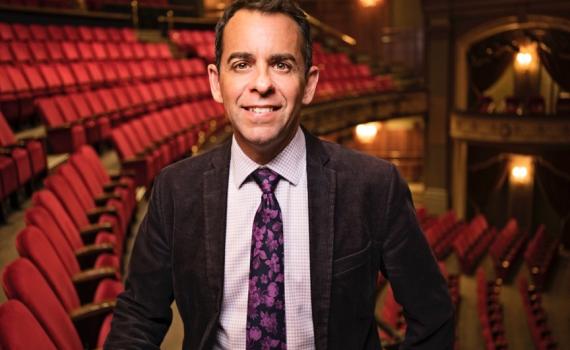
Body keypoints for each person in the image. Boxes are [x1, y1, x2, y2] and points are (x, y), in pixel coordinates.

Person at [105, 0, 454, 349]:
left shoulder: (374, 186)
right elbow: (138, 315)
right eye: (241, 64)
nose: (261, 84)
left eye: (281, 65)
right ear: (216, 81)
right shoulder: (176, 189)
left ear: (309, 83)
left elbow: (433, 317)